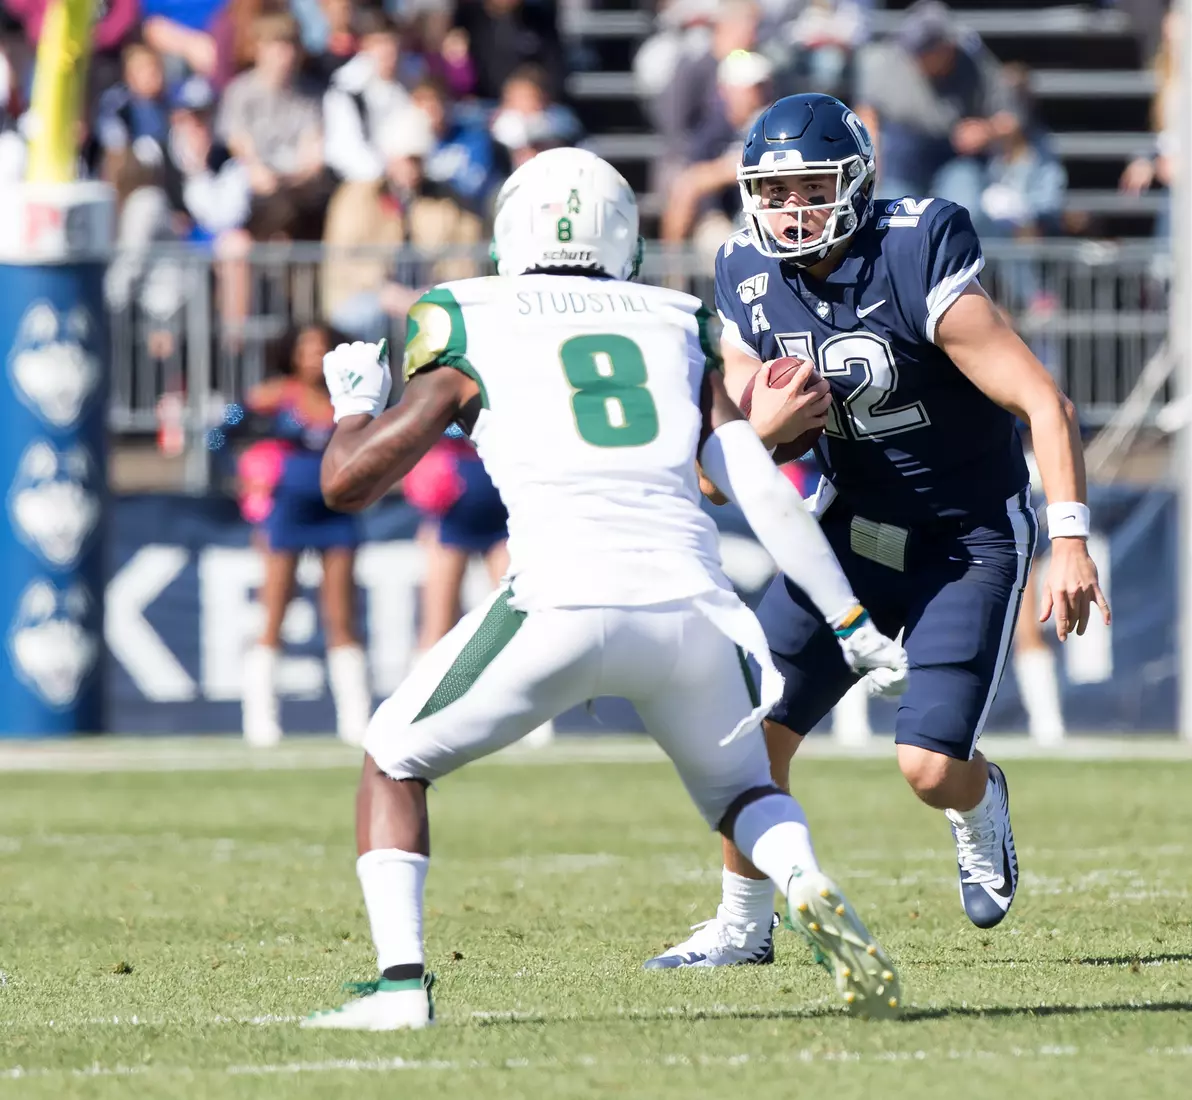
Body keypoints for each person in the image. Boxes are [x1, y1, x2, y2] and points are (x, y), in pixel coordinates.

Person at [300, 147, 913, 1029]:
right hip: (694, 610)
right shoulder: (675, 320)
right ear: (622, 233)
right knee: (744, 792)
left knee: (394, 759)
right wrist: (849, 619)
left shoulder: (464, 315)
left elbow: (347, 484)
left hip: (557, 599)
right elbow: (753, 483)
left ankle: (400, 989)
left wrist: (353, 405)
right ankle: (803, 879)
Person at [645, 92, 1108, 970]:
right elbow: (716, 470)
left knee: (929, 769)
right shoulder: (745, 271)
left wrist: (1071, 539)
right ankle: (743, 928)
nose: (791, 212)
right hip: (848, 529)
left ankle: (979, 804)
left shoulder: (914, 246)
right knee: (751, 729)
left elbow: (1046, 401)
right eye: (773, 193)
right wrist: (768, 432)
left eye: (811, 189)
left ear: (855, 184)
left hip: (966, 537)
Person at [236, 323, 372, 747]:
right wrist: (247, 476)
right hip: (287, 512)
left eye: (322, 349)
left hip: (337, 511)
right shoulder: (277, 396)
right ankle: (261, 722)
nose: (313, 357)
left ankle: (355, 721)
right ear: (292, 355)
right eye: (305, 349)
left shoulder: (350, 399)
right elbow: (221, 431)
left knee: (341, 616)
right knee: (274, 611)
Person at [402, 427, 554, 746]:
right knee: (437, 622)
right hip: (452, 509)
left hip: (506, 508)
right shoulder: (446, 384)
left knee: (517, 618)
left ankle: (533, 716)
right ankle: (417, 714)